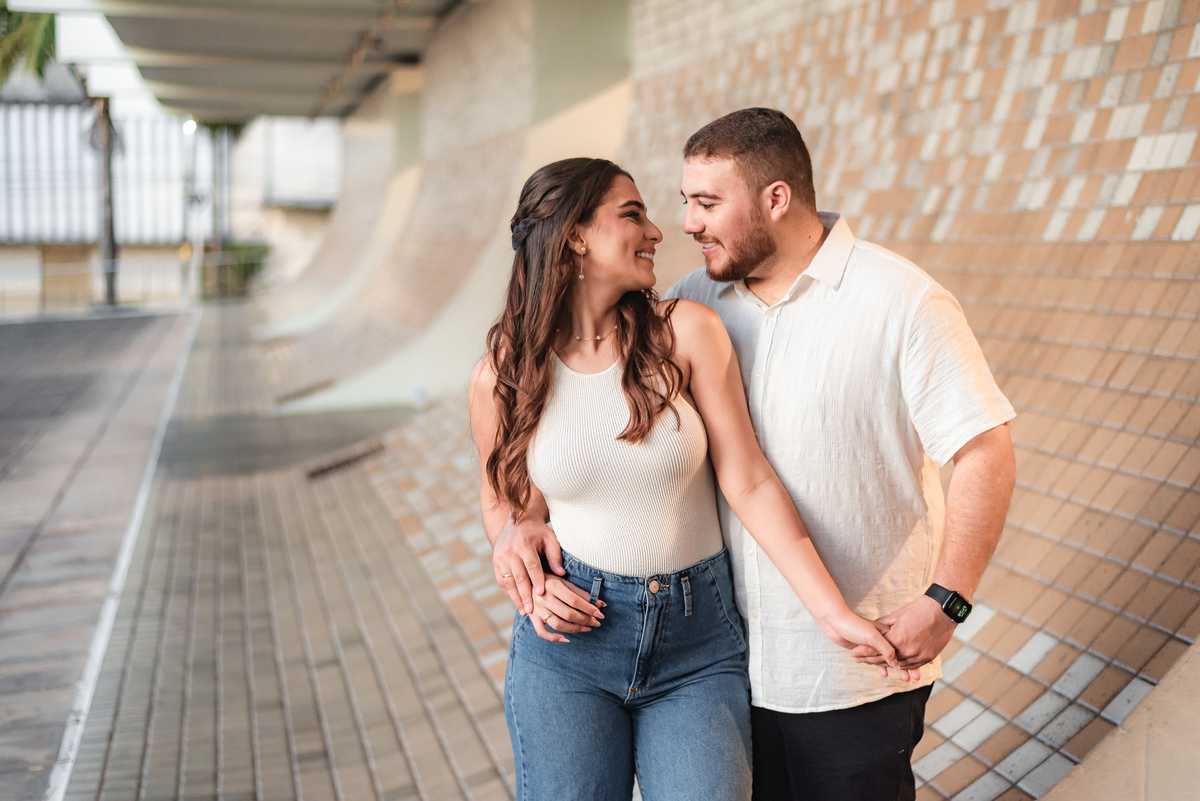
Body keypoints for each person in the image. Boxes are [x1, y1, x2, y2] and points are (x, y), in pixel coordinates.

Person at [493, 109, 1017, 801]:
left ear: (775, 198)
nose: (683, 225)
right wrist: (514, 524)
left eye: (706, 203)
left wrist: (946, 599)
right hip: (735, 663)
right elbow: (528, 465)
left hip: (847, 663)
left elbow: (985, 451)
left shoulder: (900, 300)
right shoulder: (690, 302)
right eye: (681, 202)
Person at [468, 157, 900, 801]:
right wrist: (514, 543)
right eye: (632, 215)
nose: (658, 232)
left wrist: (831, 612)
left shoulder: (686, 333)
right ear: (576, 236)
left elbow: (748, 479)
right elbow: (507, 500)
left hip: (697, 646)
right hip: (569, 647)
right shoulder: (502, 373)